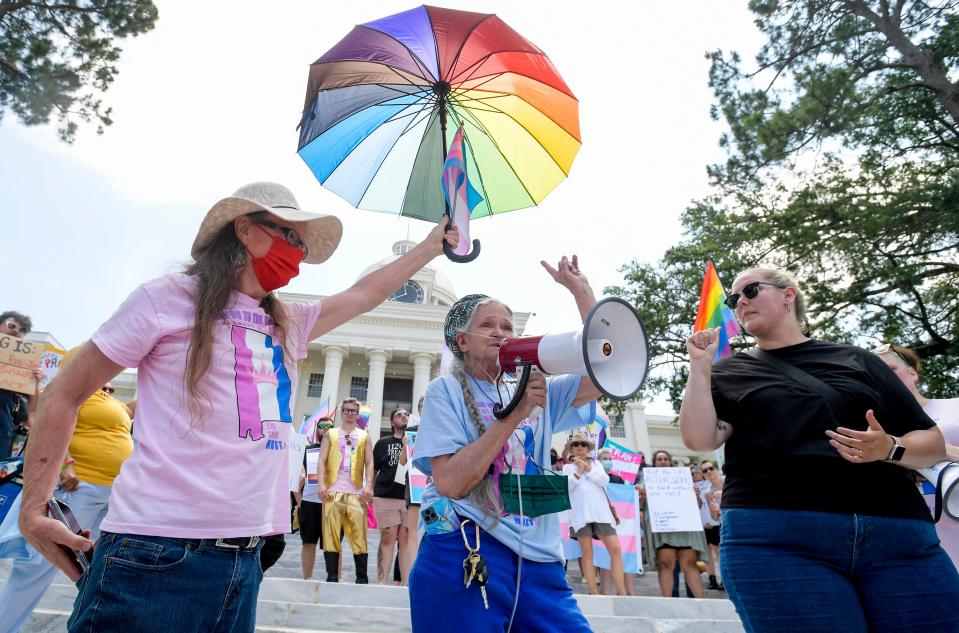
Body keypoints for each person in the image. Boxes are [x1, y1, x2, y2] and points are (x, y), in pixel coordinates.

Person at [18, 182, 458, 632]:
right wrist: (34, 508)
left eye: (302, 245)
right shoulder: (168, 298)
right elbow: (64, 392)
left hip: (245, 558)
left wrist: (429, 247)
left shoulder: (287, 321)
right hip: (155, 552)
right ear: (245, 230)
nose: (298, 254)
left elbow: (365, 294)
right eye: (291, 236)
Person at [681, 266, 959, 633]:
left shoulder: (860, 361)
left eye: (749, 291)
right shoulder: (730, 371)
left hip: (896, 535)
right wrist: (700, 370)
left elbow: (932, 443)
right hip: (778, 539)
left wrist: (891, 447)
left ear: (788, 294)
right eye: (734, 300)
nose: (739, 304)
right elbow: (700, 439)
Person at [409, 255, 602, 631]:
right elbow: (451, 482)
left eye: (508, 326)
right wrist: (515, 413)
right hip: (465, 552)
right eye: (488, 325)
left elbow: (605, 365)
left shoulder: (539, 388)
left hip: (540, 562)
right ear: (462, 341)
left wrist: (582, 294)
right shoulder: (444, 390)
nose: (501, 332)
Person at [0, 347, 133, 633]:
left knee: (92, 569)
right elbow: (42, 422)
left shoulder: (107, 399)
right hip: (79, 488)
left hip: (112, 493)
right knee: (37, 568)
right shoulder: (74, 390)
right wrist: (66, 465)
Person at [872, 343, 959, 569]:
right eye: (875, 374)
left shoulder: (955, 408)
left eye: (891, 370)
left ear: (913, 372)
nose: (885, 378)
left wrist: (939, 453)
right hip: (924, 552)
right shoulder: (877, 438)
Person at [316, 398, 374, 583]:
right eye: (347, 410)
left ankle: (362, 578)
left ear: (358, 414)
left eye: (353, 411)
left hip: (356, 493)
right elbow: (321, 460)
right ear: (341, 412)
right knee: (331, 535)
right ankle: (332, 577)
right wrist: (321, 485)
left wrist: (369, 486)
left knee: (360, 537)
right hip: (332, 492)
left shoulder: (364, 436)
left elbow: (370, 463)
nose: (350, 413)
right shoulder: (330, 434)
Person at [563, 433, 627, 596]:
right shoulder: (567, 468)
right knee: (587, 552)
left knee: (616, 549)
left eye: (583, 444)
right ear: (571, 448)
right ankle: (594, 592)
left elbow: (604, 481)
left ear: (587, 448)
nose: (579, 447)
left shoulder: (597, 464)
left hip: (601, 514)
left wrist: (588, 468)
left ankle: (622, 591)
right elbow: (567, 487)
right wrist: (578, 471)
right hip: (580, 515)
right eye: (576, 444)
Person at [637, 450, 707, 598]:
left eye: (665, 459)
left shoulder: (684, 478)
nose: (663, 462)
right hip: (663, 528)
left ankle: (701, 601)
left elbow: (699, 505)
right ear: (654, 464)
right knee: (665, 563)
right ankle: (668, 602)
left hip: (685, 527)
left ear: (670, 462)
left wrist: (696, 495)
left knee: (689, 563)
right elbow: (640, 506)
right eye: (659, 459)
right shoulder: (646, 481)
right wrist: (641, 495)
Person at [372, 408, 409, 584]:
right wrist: (369, 491)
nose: (403, 416)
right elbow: (373, 470)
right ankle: (382, 581)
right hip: (385, 496)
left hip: (410, 499)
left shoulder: (417, 441)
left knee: (406, 540)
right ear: (392, 422)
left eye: (406, 414)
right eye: (399, 415)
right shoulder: (382, 443)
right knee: (388, 538)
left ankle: (406, 583)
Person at [0, 311, 41, 458]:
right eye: (11, 325)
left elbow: (32, 411)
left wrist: (34, 382)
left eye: (22, 329)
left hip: (3, 434)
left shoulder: (25, 365)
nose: (16, 331)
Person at [299, 416, 333, 579]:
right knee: (308, 542)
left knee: (333, 545)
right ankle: (307, 579)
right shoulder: (307, 450)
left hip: (332, 504)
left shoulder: (340, 451)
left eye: (329, 426)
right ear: (316, 429)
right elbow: (296, 477)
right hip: (309, 503)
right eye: (322, 426)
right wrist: (300, 502)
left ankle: (334, 580)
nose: (326, 429)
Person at [398, 396, 424, 585]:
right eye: (423, 406)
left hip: (438, 485)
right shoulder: (411, 432)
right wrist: (405, 447)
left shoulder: (444, 428)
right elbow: (402, 462)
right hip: (416, 484)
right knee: (412, 530)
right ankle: (413, 576)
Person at [698, 460, 723, 590]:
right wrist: (715, 511)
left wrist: (724, 495)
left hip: (741, 521)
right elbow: (715, 517)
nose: (708, 472)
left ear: (716, 469)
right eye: (705, 470)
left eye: (710, 468)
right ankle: (721, 579)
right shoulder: (708, 492)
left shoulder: (728, 482)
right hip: (724, 525)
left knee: (720, 551)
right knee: (719, 552)